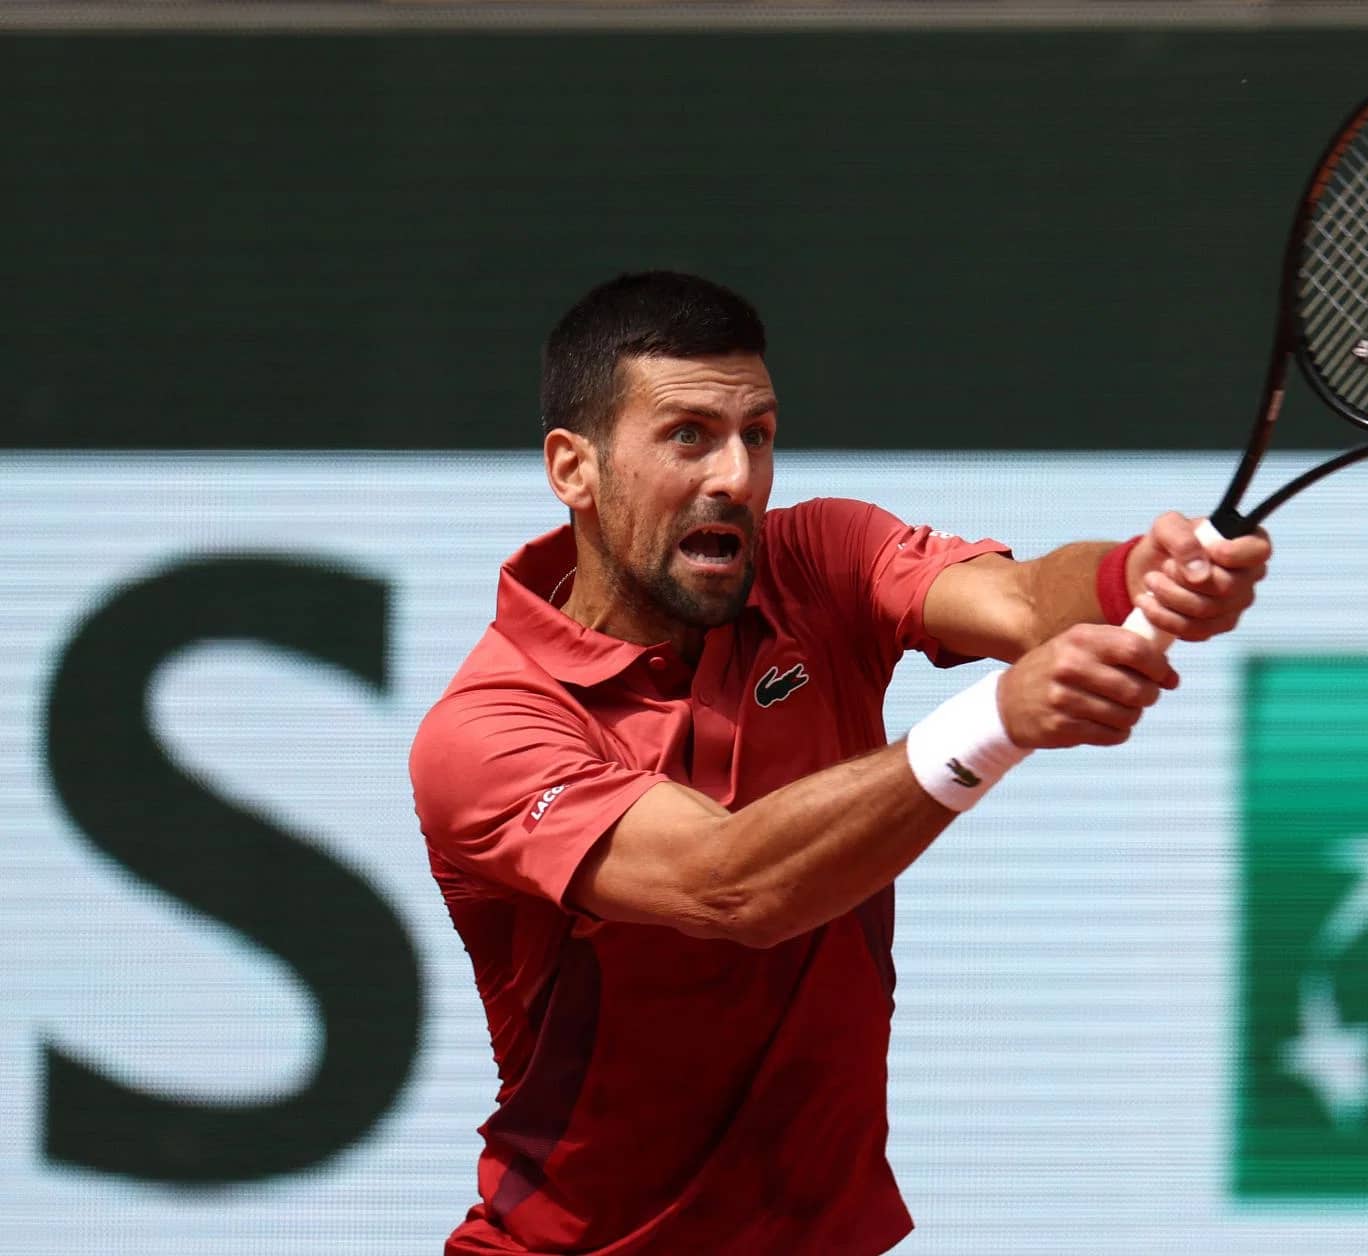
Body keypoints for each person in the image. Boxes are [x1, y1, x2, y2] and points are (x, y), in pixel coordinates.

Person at [409, 271, 1270, 1255]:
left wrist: (1134, 574)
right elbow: (728, 884)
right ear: (575, 468)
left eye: (759, 433)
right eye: (688, 434)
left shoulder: (818, 558)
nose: (735, 473)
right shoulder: (491, 731)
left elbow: (1030, 600)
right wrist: (996, 718)